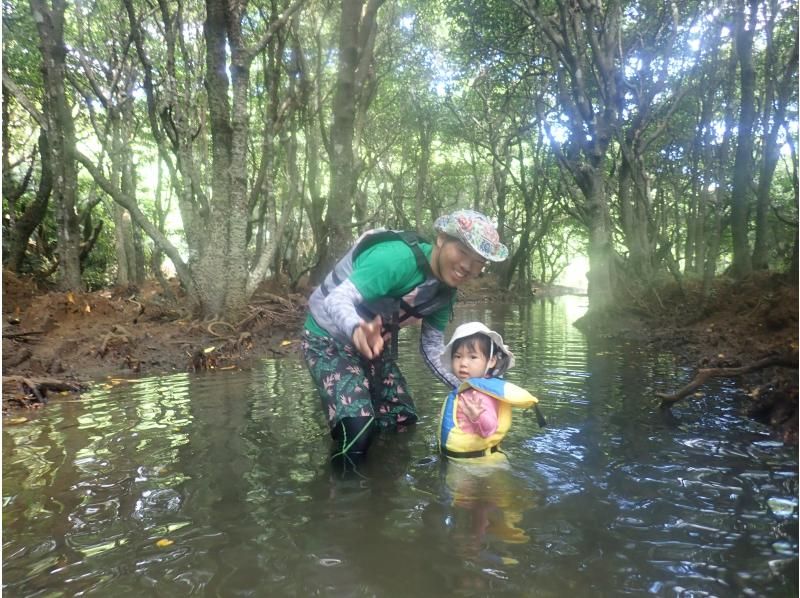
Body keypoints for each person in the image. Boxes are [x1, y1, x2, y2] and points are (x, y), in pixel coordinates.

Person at [301, 210, 508, 469]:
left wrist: (469, 390)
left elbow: (431, 348)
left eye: (478, 261)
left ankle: (385, 484)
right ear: (441, 239)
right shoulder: (395, 260)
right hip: (327, 338)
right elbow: (336, 299)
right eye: (463, 252)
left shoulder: (446, 294)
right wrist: (356, 328)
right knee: (357, 430)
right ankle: (344, 497)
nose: (468, 266)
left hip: (373, 346)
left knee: (402, 420)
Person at [438, 322, 538, 465]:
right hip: (479, 460)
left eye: (473, 357)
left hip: (477, 465)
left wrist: (477, 417)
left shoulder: (478, 395)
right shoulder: (471, 388)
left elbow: (490, 429)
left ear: (491, 361)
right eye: (458, 356)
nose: (463, 363)